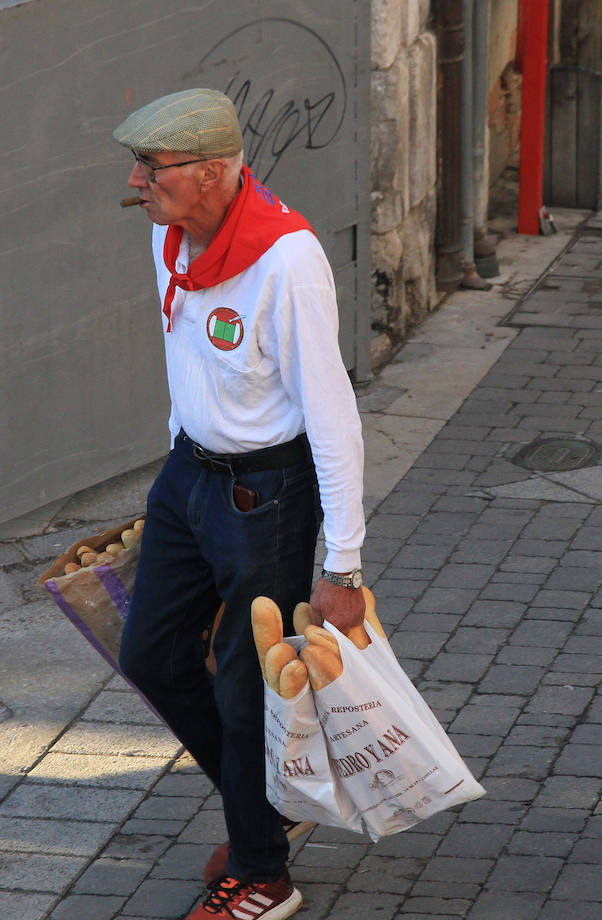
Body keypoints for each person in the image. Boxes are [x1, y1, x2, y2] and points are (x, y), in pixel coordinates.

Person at [113, 87, 367, 920]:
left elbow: (333, 413)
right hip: (190, 476)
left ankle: (264, 877)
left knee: (244, 682)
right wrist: (178, 470)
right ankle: (266, 811)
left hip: (269, 494)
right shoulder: (169, 238)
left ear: (214, 173)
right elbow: (184, 358)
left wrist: (344, 562)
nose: (138, 180)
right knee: (150, 655)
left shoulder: (287, 261)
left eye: (154, 167)